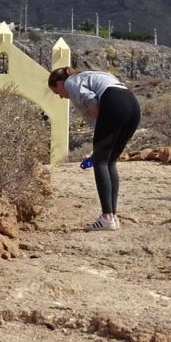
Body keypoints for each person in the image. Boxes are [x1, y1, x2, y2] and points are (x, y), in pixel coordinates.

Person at [49, 65, 140, 230]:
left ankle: (107, 218)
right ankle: (113, 217)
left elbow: (90, 99)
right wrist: (99, 146)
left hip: (114, 102)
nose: (61, 97)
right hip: (132, 105)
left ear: (59, 83)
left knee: (101, 161)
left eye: (57, 92)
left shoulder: (70, 82)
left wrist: (99, 148)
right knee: (109, 161)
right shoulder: (89, 76)